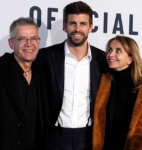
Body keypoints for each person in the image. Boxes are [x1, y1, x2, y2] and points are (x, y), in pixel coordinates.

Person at [36, 1, 104, 150]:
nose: (77, 29)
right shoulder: (46, 57)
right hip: (54, 137)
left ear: (91, 27)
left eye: (83, 24)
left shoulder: (102, 59)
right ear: (65, 26)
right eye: (73, 23)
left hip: (89, 138)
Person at [0, 17, 49, 150]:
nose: (29, 44)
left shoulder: (42, 74)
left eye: (34, 39)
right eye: (22, 39)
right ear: (11, 43)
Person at [93, 35, 142, 150]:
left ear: (130, 58)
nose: (110, 54)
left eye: (118, 50)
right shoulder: (103, 81)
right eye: (110, 50)